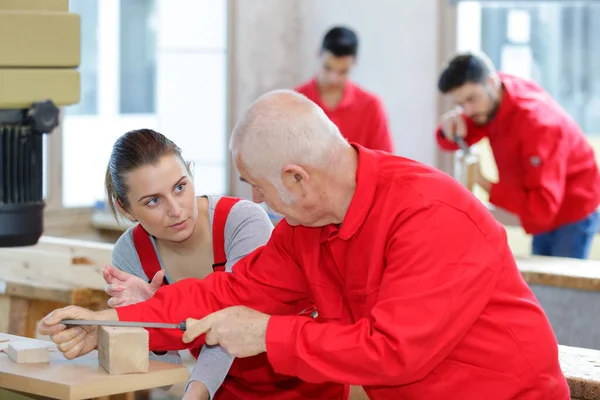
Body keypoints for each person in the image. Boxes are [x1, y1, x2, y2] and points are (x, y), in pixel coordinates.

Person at [40, 90, 569, 400]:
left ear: (296, 179)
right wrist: (108, 324)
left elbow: (393, 352)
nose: (251, 197)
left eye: (257, 184)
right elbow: (228, 291)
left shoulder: (431, 216)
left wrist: (268, 334)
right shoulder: (304, 228)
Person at [99, 129, 345, 400]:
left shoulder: (242, 221)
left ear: (191, 174)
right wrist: (151, 315)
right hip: (226, 390)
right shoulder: (130, 253)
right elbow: (166, 378)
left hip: (307, 386)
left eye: (180, 187)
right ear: (126, 209)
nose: (176, 209)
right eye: (154, 201)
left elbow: (233, 317)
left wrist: (196, 393)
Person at [435, 51, 600, 259]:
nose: (467, 111)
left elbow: (542, 210)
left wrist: (484, 182)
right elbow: (454, 137)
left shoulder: (538, 125)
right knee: (542, 282)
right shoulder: (492, 99)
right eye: (460, 104)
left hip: (572, 210)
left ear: (491, 83)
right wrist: (448, 128)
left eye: (471, 99)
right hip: (543, 207)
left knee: (562, 284)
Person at [294, 26, 394, 153]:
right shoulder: (296, 101)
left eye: (343, 72)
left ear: (355, 63)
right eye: (328, 68)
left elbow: (384, 160)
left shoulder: (371, 106)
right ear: (319, 54)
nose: (333, 79)